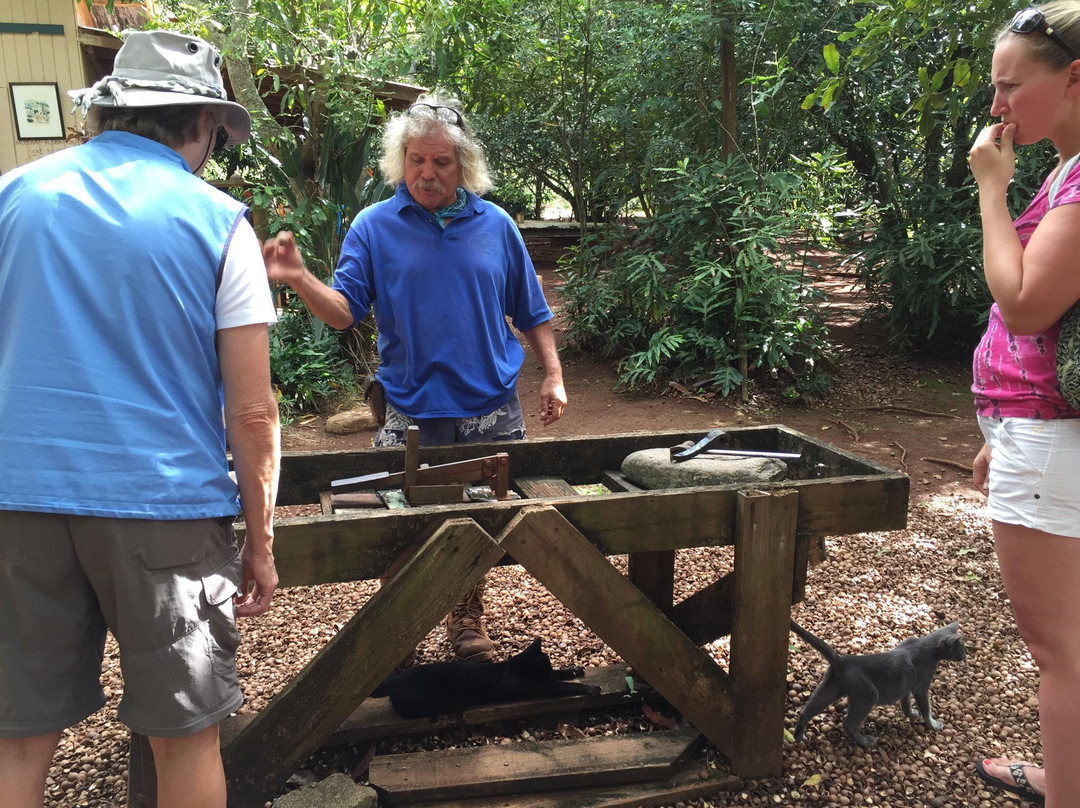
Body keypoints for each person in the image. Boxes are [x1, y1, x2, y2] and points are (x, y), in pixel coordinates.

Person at [0, 30, 280, 808]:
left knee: (17, 737)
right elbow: (252, 411)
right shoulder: (219, 221)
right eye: (217, 136)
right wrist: (259, 542)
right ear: (202, 124)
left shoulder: (11, 197)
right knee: (184, 738)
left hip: (19, 498)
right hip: (163, 507)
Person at [264, 93, 566, 663]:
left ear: (465, 166)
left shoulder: (496, 225)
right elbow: (344, 310)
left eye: (441, 162)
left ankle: (466, 618)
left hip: (491, 406)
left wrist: (552, 374)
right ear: (400, 159)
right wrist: (300, 277)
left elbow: (531, 310)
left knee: (480, 519)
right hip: (410, 405)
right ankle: (400, 628)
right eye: (416, 160)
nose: (427, 173)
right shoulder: (374, 226)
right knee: (399, 521)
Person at [967, 4, 1080, 806]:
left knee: (1059, 653)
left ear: (1075, 78)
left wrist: (993, 192)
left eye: (1011, 87)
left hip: (1048, 443)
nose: (998, 107)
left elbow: (1026, 306)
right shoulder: (1068, 168)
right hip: (1035, 434)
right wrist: (995, 433)